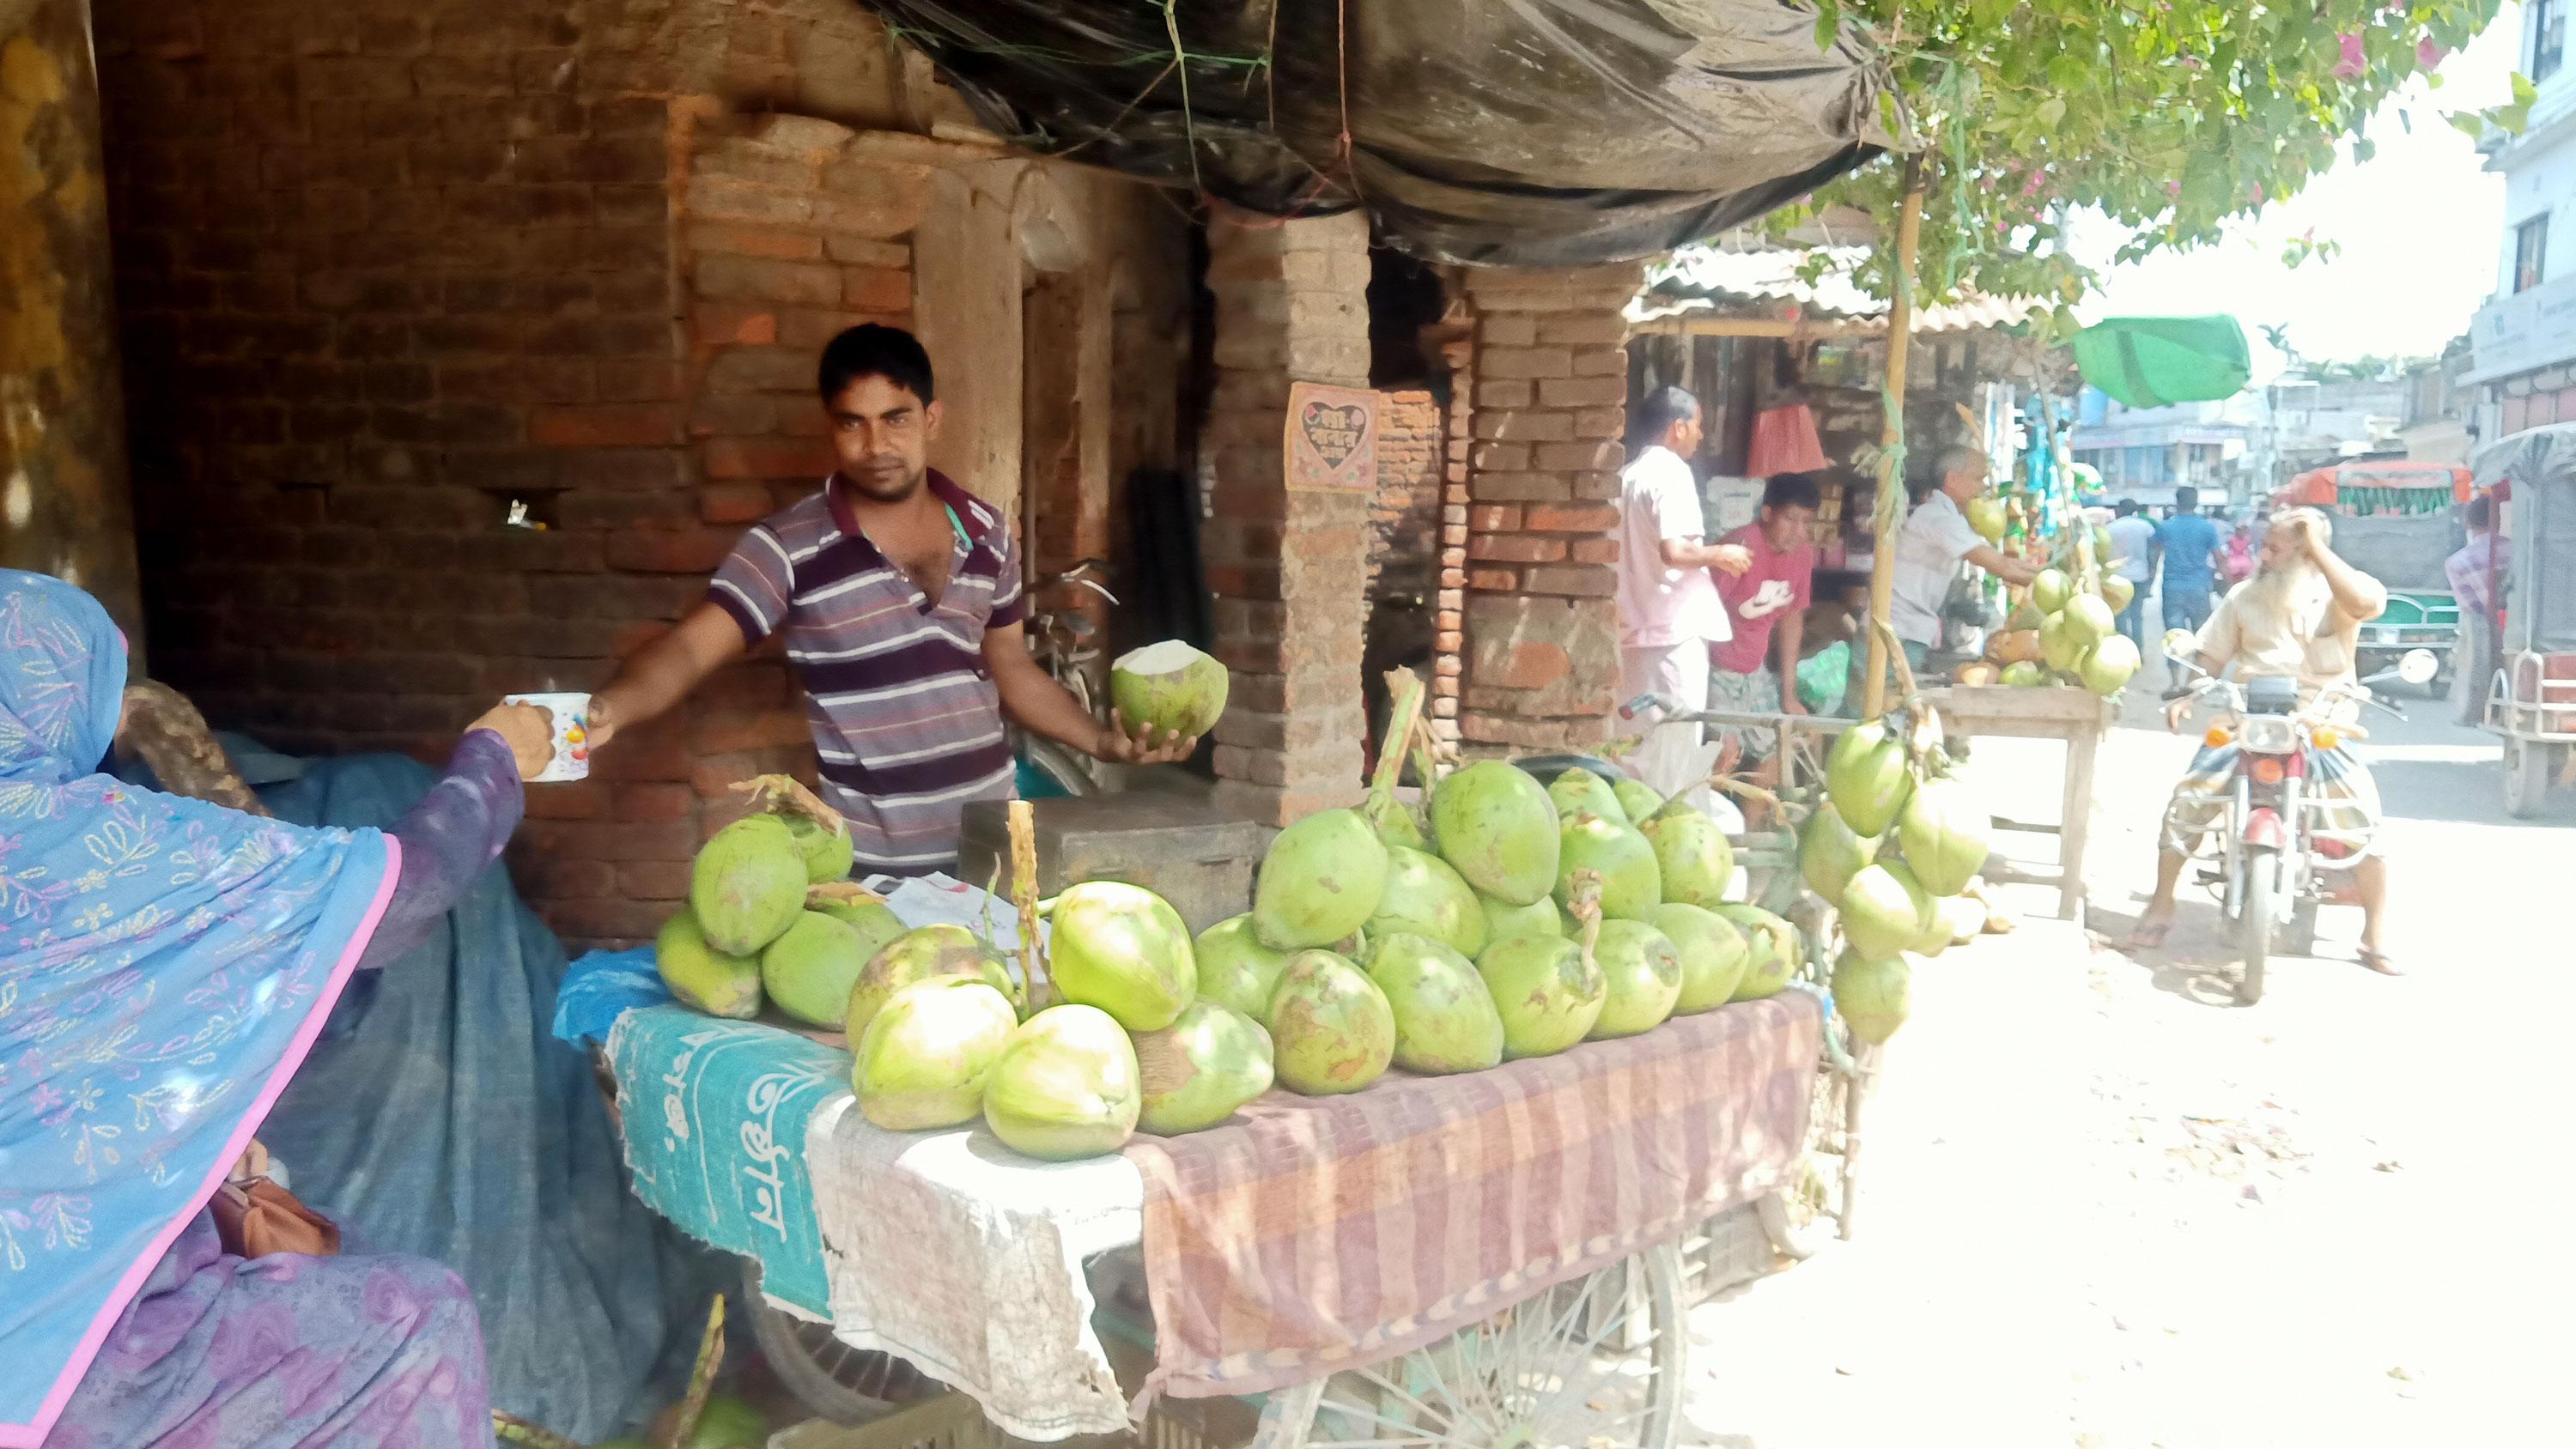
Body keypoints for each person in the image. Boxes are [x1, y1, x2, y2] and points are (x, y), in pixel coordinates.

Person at [1, 569, 559, 1447]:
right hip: (71, 1364)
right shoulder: (114, 842)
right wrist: (492, 755)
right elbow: (402, 890)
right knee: (417, 1317)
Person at [586, 325, 1193, 878]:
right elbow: (691, 649)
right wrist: (612, 708)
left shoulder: (985, 530)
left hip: (996, 853)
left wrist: (1102, 741)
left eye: (895, 419)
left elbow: (1009, 665)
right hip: (875, 874)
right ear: (832, 426)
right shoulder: (787, 548)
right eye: (853, 423)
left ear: (931, 419)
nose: (875, 445)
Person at [2126, 510, 2399, 973]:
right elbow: (2211, 656)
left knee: (2363, 821)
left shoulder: (2339, 593)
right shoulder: (2244, 595)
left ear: (2307, 552)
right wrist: (2189, 694)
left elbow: (2367, 604)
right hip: (2249, 718)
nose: (2262, 555)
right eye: (2263, 545)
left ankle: (2374, 934)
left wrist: (2316, 548)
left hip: (2321, 721)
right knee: (2187, 801)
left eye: (2275, 547)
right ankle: (2161, 906)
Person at [1613, 386, 1752, 795]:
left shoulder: (1627, 477)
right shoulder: (1671, 472)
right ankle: (1668, 835)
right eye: (1698, 425)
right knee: (1673, 751)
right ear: (1678, 428)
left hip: (1632, 632)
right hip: (1671, 636)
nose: (1701, 435)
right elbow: (1673, 549)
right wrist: (1718, 553)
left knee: (1632, 751)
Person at [1890, 446, 2041, 668]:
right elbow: (2003, 567)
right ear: (1953, 479)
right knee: (1880, 700)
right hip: (1897, 632)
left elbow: (2003, 562)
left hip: (1905, 631)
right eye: (1979, 478)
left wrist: (2048, 575)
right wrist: (2053, 580)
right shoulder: (1939, 519)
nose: (1984, 487)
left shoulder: (1950, 518)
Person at [1708, 473, 1820, 770]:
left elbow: (1792, 618)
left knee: (1776, 753)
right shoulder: (1739, 548)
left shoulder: (1802, 555)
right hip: (1717, 668)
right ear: (1767, 513)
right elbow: (1702, 610)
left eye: (1806, 522)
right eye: (1791, 519)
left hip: (1753, 670)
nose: (1798, 531)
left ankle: (1754, 820)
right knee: (1723, 755)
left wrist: (1789, 693)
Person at [2445, 493, 2510, 725]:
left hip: (2488, 632)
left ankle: (2478, 711)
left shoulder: (2456, 563)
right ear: (2499, 521)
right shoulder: (2518, 552)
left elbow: (2472, 610)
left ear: (2467, 524)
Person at [2150, 485, 2225, 637]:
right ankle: (2197, 662)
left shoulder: (2165, 527)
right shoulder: (2207, 528)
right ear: (2196, 503)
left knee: (2175, 637)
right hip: (2199, 588)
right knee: (2202, 637)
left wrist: (2151, 574)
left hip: (2172, 587)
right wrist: (2226, 581)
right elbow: (2218, 558)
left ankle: (2174, 662)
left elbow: (2155, 555)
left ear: (2177, 502)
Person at [2105, 499, 2157, 647]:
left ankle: (2123, 649)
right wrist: (2152, 568)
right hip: (2140, 576)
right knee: (2137, 615)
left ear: (2119, 510)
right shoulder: (2145, 527)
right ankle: (2138, 649)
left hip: (2117, 577)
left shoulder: (2110, 528)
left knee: (2120, 614)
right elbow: (2152, 550)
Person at [2220, 512, 2257, 586]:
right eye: (2239, 530)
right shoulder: (2232, 539)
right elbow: (2228, 550)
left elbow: (2249, 551)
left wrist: (2251, 559)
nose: (2241, 532)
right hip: (2234, 558)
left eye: (2242, 530)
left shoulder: (2247, 539)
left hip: (2243, 558)